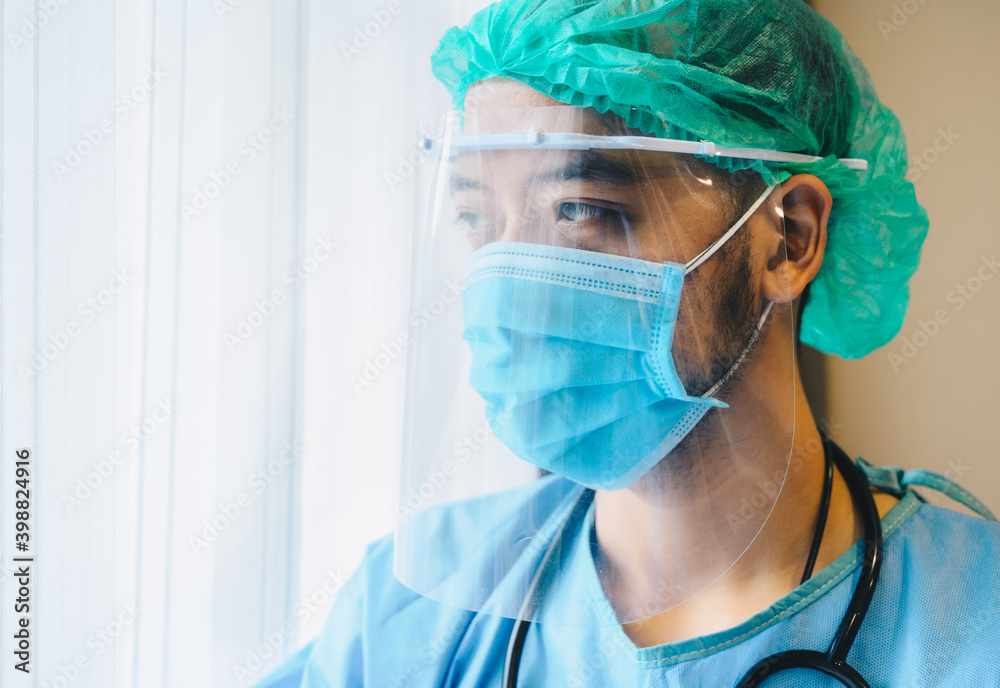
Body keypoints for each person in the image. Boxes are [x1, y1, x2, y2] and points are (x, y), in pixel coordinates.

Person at [258, 1, 1000, 686]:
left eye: (578, 209)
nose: (511, 292)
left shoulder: (973, 626)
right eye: (477, 218)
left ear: (788, 239)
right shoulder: (410, 613)